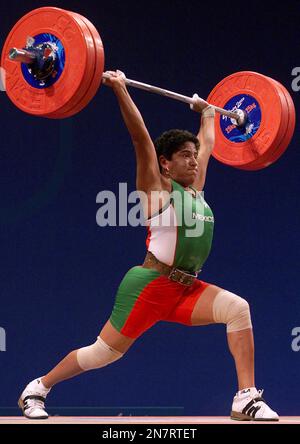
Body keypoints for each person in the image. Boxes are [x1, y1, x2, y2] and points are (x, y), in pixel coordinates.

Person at [18, 70, 278, 422]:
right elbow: (141, 140)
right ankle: (39, 387)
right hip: (149, 287)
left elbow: (210, 143)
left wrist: (208, 112)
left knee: (238, 309)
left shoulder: (195, 191)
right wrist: (122, 90)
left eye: (193, 155)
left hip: (186, 289)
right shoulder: (157, 191)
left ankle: (245, 398)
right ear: (165, 164)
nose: (194, 159)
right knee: (103, 354)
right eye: (185, 155)